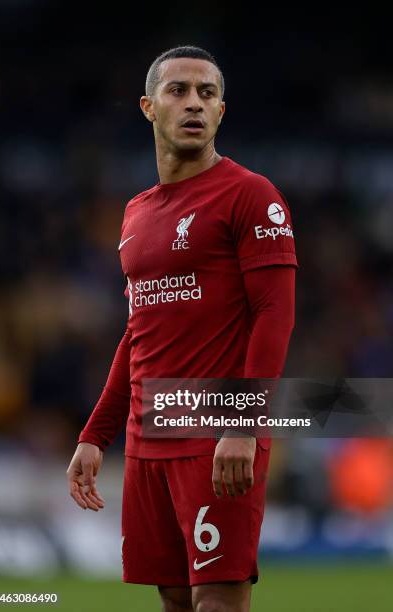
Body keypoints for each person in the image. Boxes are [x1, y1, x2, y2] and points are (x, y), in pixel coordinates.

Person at [66, 45, 297, 612]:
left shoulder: (250, 195)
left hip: (217, 432)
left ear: (221, 112)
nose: (194, 103)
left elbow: (275, 313)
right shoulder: (136, 213)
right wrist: (96, 435)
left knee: (216, 599)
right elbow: (137, 334)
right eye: (178, 91)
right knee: (173, 599)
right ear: (148, 107)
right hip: (149, 438)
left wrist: (243, 425)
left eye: (207, 93)